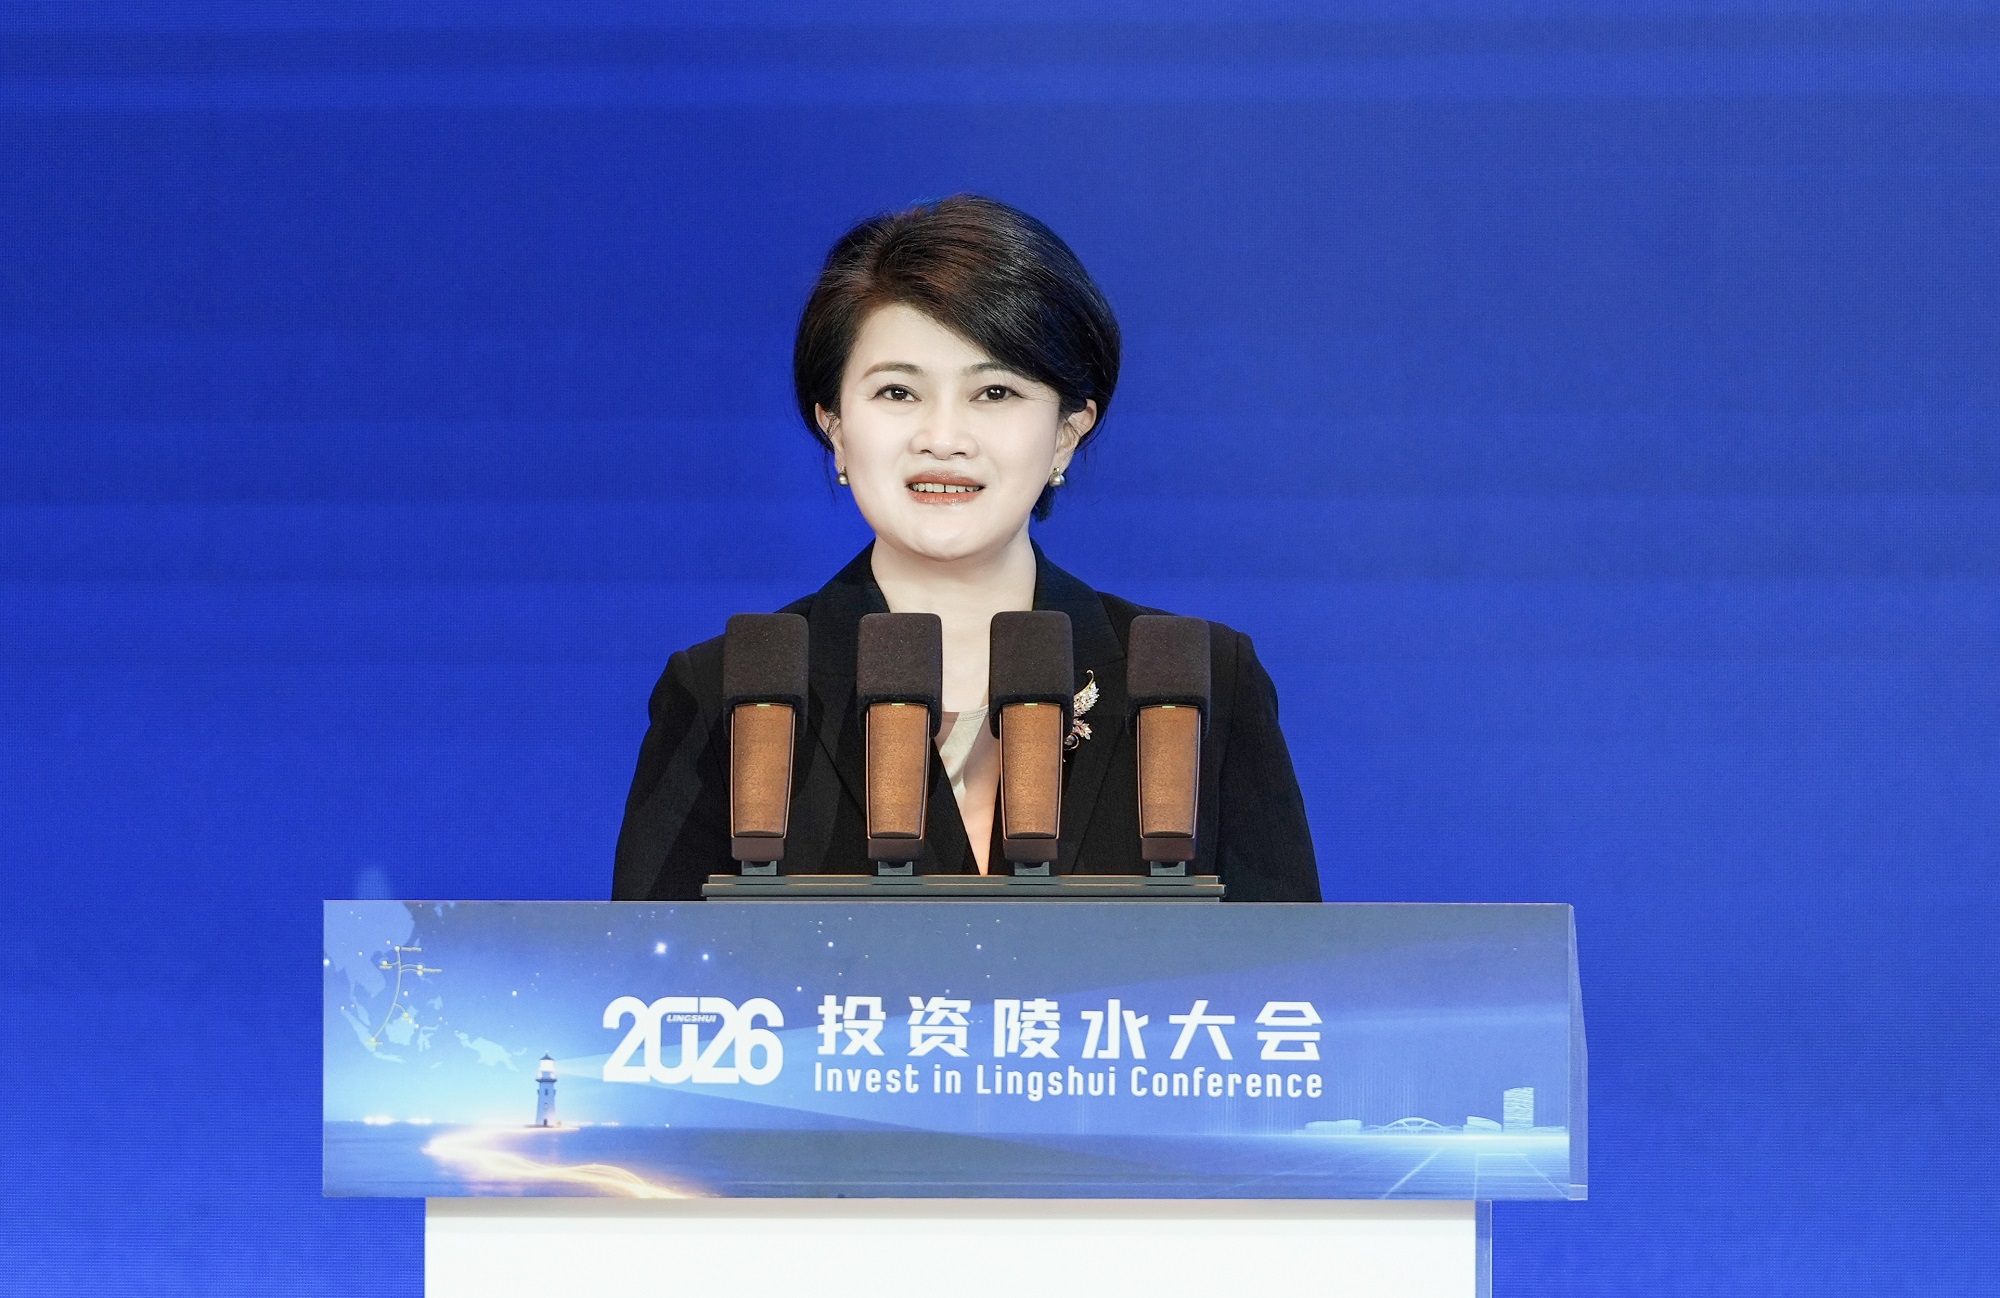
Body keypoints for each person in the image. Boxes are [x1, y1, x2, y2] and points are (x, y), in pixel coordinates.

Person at [613, 195, 1319, 902]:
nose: (944, 439)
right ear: (834, 426)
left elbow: (1288, 967)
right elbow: (646, 967)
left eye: (995, 392)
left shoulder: (1197, 683)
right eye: (898, 392)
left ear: (1067, 431)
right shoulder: (729, 692)